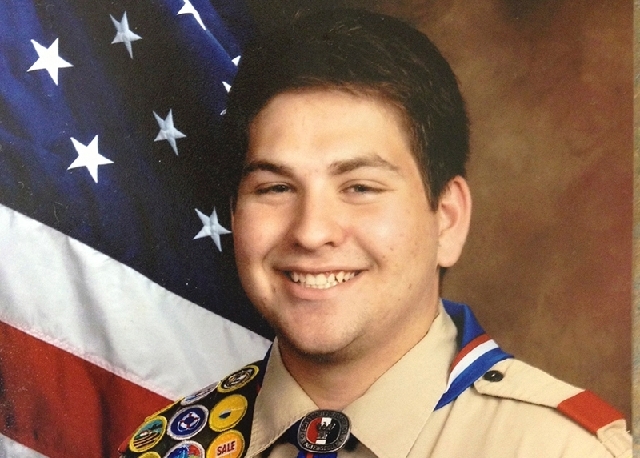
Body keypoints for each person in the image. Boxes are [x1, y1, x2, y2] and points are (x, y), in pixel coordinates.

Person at [120, 8, 631, 458]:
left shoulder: (558, 449)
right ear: (235, 212)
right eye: (276, 188)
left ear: (447, 218)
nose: (311, 232)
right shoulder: (166, 448)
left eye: (360, 187)